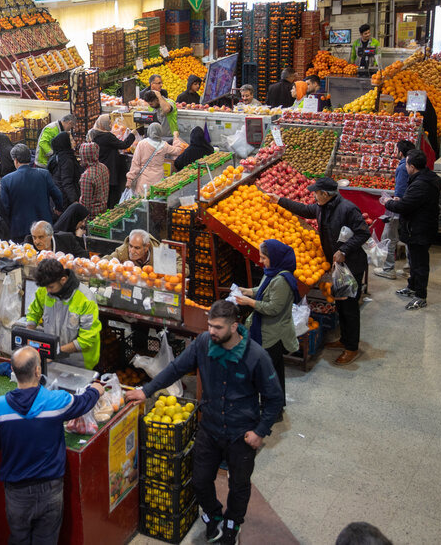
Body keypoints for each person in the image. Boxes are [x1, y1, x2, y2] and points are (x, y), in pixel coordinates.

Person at [125, 300, 284, 545]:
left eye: (218, 327)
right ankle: (213, 515)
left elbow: (274, 398)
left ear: (234, 327)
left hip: (241, 433)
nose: (211, 331)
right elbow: (176, 368)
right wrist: (147, 391)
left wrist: (260, 431)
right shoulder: (203, 343)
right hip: (209, 427)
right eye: (210, 325)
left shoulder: (256, 356)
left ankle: (232, 524)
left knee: (239, 485)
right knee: (199, 480)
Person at [0, 347, 102, 545]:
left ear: (13, 371)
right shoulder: (57, 401)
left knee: (18, 539)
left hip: (17, 492)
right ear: (38, 371)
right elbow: (83, 402)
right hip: (50, 490)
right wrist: (95, 390)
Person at [271, 178, 369, 365]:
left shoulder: (348, 209)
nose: (313, 195)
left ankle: (352, 348)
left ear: (325, 194)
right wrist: (280, 200)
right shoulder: (322, 207)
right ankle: (345, 340)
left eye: (316, 192)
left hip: (351, 265)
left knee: (349, 307)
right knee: (340, 304)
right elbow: (304, 210)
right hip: (338, 266)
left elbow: (364, 233)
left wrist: (344, 250)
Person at [232, 240, 299, 414]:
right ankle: (275, 406)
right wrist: (248, 291)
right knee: (273, 371)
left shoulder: (282, 280)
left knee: (269, 374)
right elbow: (263, 289)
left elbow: (273, 308)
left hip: (273, 334)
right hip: (266, 330)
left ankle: (273, 410)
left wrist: (250, 302)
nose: (261, 261)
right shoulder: (272, 272)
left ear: (274, 257)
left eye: (263, 258)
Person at [25, 258, 101, 369]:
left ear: (63, 280)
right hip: (52, 356)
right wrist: (28, 337)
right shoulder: (45, 290)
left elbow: (87, 339)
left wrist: (55, 352)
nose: (47, 291)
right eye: (45, 287)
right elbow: (34, 312)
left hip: (79, 361)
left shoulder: (85, 299)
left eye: (51, 287)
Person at [1, 144, 63, 239]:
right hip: (43, 227)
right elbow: (57, 194)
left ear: (16, 160)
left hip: (19, 229)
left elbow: (5, 207)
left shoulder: (6, 180)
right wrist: (58, 208)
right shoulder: (44, 174)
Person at [374, 140, 415, 280]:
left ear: (401, 153)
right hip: (410, 207)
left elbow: (400, 191)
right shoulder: (414, 166)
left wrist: (392, 203)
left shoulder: (403, 167)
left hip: (399, 207)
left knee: (389, 237)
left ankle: (388, 269)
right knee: (409, 238)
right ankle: (410, 269)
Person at [91, 114, 138, 208]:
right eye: (108, 123)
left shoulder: (95, 134)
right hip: (110, 169)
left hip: (102, 168)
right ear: (104, 124)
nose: (110, 125)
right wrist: (133, 134)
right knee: (113, 194)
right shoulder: (107, 136)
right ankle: (112, 211)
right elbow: (124, 145)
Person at [125, 124, 182, 197]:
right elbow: (178, 150)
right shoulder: (164, 145)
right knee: (155, 200)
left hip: (143, 181)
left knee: (142, 201)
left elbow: (135, 163)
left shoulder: (142, 144)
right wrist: (176, 137)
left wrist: (130, 179)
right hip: (158, 181)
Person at [104, 228, 183, 273]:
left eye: (137, 248)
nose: (132, 251)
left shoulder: (159, 252)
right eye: (130, 246)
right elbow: (106, 260)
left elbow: (183, 266)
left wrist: (165, 270)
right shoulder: (122, 251)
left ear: (146, 247)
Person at [46, 131, 82, 209]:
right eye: (71, 140)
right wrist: (75, 201)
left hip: (58, 197)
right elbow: (67, 182)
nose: (74, 142)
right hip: (64, 200)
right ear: (66, 143)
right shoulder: (67, 160)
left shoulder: (59, 156)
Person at [77, 142, 109, 217]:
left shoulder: (87, 176)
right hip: (104, 211)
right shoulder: (103, 167)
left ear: (84, 156)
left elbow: (85, 204)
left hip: (92, 217)